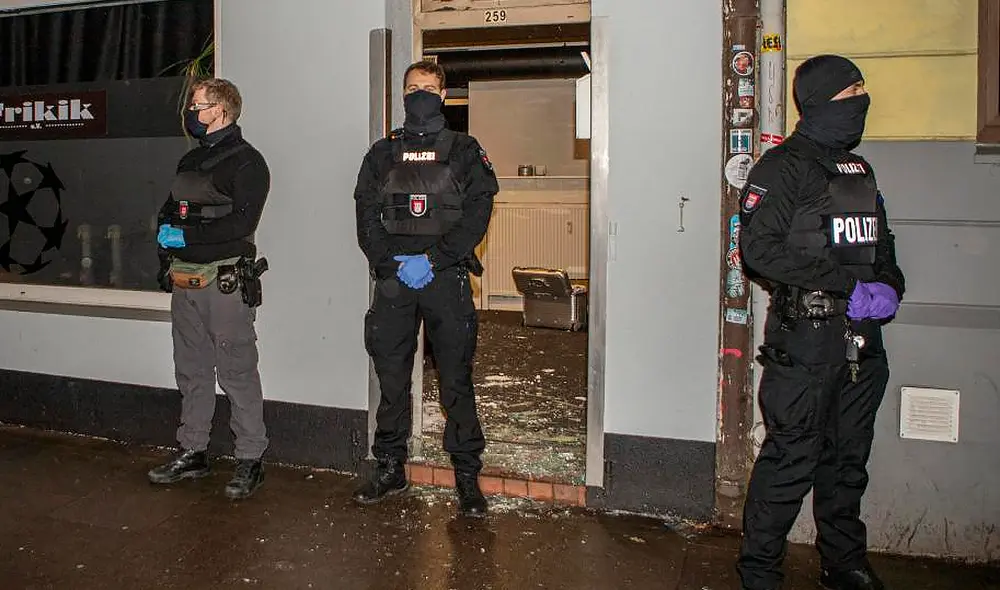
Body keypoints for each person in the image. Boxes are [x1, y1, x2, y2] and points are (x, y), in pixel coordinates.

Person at [736, 55, 905, 590]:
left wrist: (890, 288)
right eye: (851, 91)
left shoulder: (859, 172)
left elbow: (881, 245)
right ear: (819, 101)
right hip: (806, 341)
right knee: (790, 462)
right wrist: (845, 287)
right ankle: (760, 573)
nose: (861, 99)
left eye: (861, 89)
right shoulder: (782, 167)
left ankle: (843, 563)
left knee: (847, 462)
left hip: (861, 344)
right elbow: (759, 250)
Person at [352, 60, 498, 516]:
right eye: (413, 88)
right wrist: (390, 263)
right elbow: (365, 215)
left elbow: (477, 214)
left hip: (444, 277)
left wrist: (433, 259)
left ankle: (467, 476)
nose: (420, 95)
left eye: (429, 88)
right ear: (402, 95)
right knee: (391, 378)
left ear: (444, 95)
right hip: (396, 279)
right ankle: (390, 467)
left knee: (455, 379)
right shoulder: (382, 152)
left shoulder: (465, 150)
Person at [147, 78, 271, 501]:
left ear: (221, 110)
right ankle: (193, 450)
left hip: (224, 282)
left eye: (197, 106)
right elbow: (170, 209)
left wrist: (188, 237)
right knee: (192, 370)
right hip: (185, 280)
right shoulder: (191, 160)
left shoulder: (248, 163)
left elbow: (241, 223)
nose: (191, 113)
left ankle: (250, 458)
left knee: (236, 371)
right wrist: (165, 249)